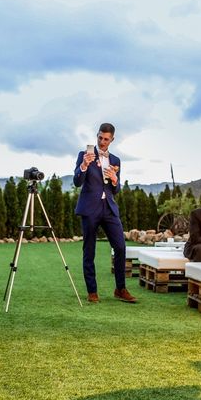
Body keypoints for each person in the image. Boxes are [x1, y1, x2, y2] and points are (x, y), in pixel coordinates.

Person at [73, 122, 137, 303]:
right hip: (89, 208)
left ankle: (120, 289)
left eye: (106, 139)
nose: (102, 142)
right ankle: (92, 291)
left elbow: (114, 191)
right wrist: (84, 166)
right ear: (97, 135)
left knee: (120, 247)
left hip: (109, 208)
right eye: (100, 137)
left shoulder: (116, 160)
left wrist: (116, 180)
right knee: (89, 250)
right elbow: (77, 181)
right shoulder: (84, 155)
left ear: (112, 140)